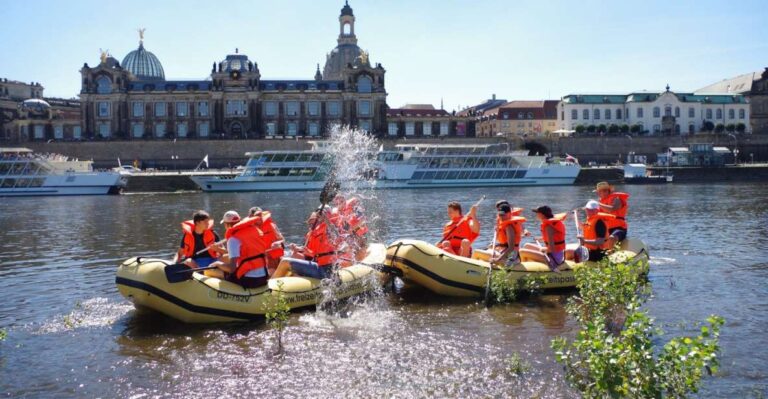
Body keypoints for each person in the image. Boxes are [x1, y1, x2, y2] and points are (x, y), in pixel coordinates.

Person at [207, 211, 270, 288]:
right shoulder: (255, 230)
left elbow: (232, 269)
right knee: (226, 259)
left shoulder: (233, 239)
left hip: (249, 280)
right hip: (264, 276)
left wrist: (217, 264)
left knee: (209, 271)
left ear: (226, 225)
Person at [271, 211, 342, 279]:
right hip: (318, 266)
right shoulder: (314, 234)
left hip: (325, 270)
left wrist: (326, 220)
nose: (311, 225)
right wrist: (299, 249)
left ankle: (270, 286)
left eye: (313, 222)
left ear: (320, 221)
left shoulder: (327, 231)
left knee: (285, 261)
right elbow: (313, 254)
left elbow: (336, 235)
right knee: (291, 257)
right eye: (310, 223)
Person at [520, 206, 567, 271]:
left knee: (522, 251)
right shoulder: (550, 225)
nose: (536, 214)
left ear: (542, 214)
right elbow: (553, 238)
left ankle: (522, 270)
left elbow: (551, 249)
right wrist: (540, 239)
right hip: (553, 254)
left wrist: (543, 249)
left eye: (537, 213)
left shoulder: (549, 227)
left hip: (554, 258)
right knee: (526, 245)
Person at [248, 206, 285, 274]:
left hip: (275, 256)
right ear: (251, 217)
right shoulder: (248, 230)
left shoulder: (271, 225)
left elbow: (282, 239)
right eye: (257, 216)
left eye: (260, 215)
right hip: (262, 259)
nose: (259, 218)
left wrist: (277, 243)